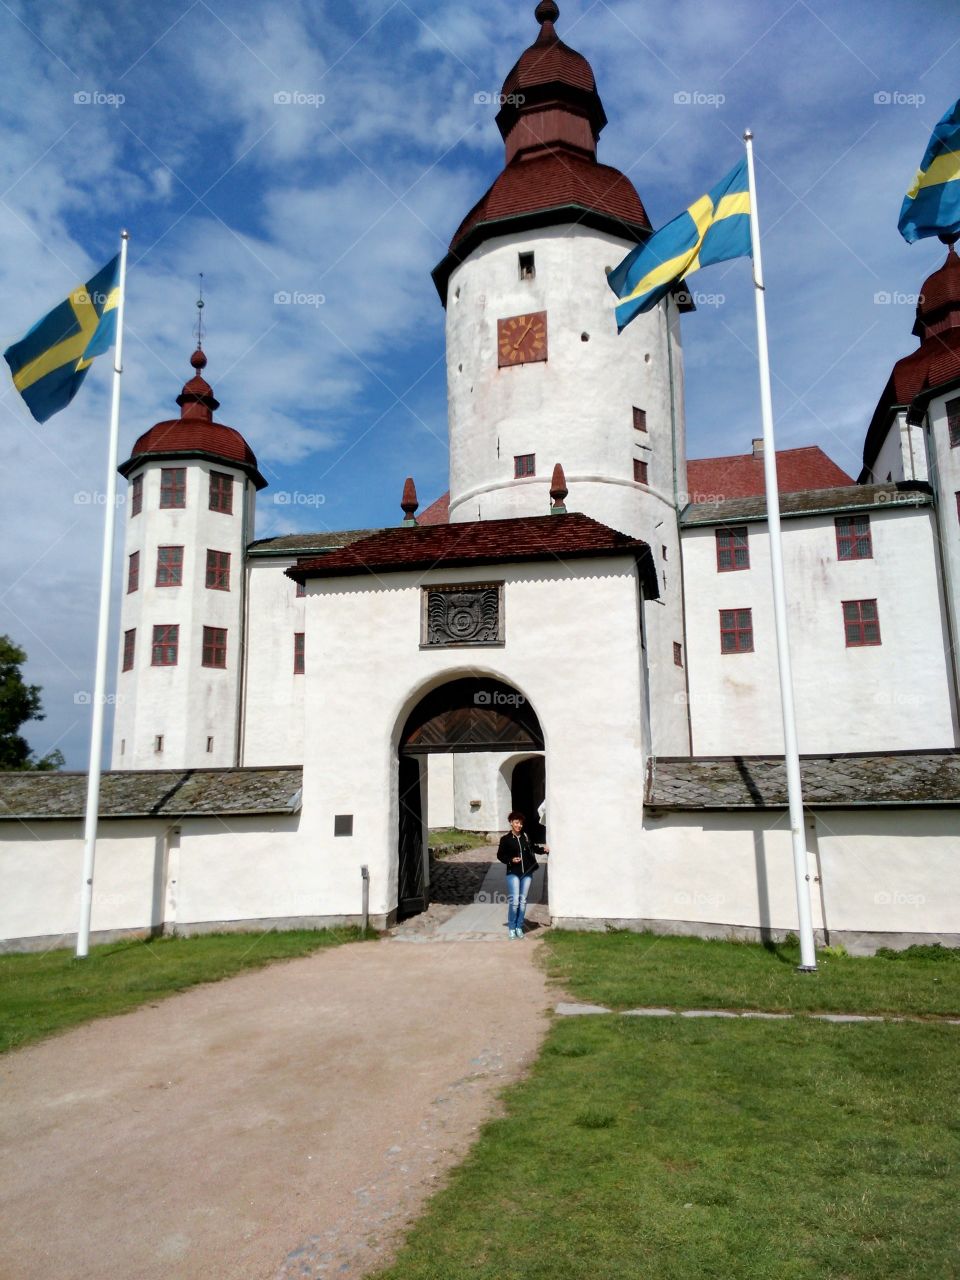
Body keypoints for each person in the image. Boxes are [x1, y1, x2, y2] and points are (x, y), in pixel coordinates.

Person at [496, 811, 548, 939]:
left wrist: (543, 850)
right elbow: (500, 855)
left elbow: (533, 848)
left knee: (523, 901)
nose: (519, 825)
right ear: (511, 823)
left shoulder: (525, 836)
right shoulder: (505, 839)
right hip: (513, 872)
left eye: (520, 823)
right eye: (516, 823)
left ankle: (519, 926)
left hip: (527, 873)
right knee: (515, 901)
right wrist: (511, 860)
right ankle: (512, 928)